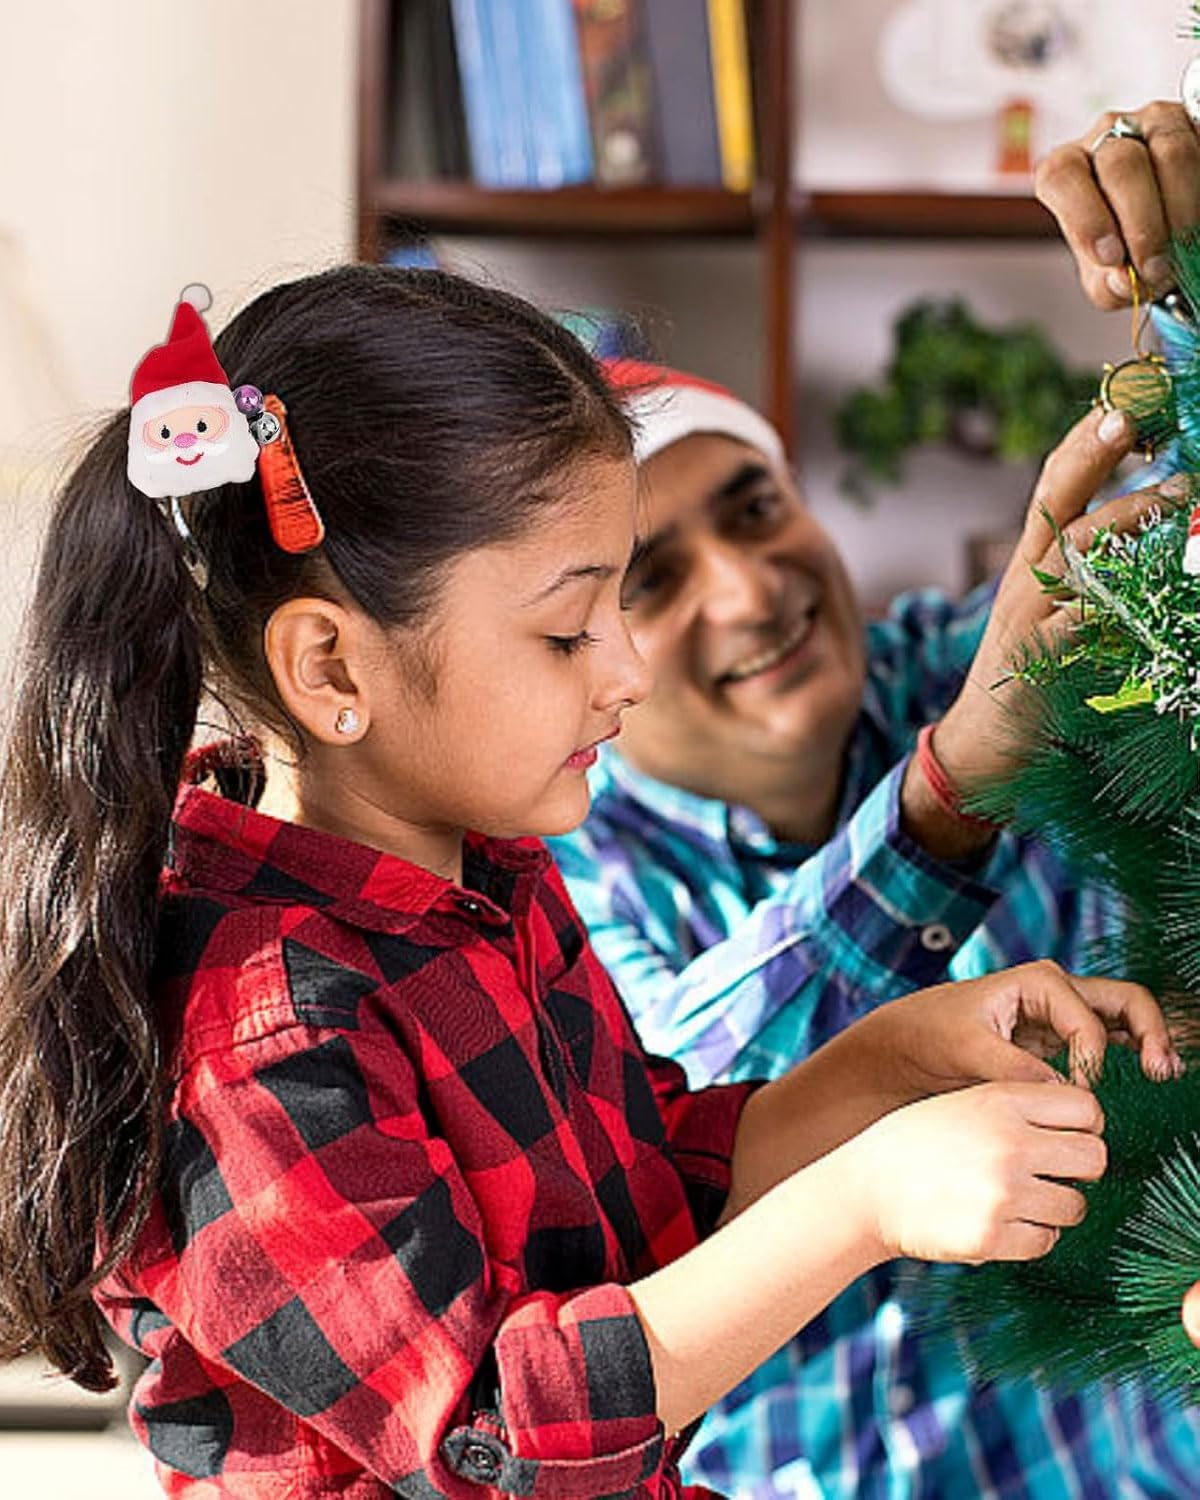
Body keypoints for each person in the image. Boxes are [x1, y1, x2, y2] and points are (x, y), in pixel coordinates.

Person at [0, 266, 1166, 1498]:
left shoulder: (491, 874)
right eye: (571, 629)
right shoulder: (260, 1033)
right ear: (332, 668)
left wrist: (891, 1064)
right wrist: (868, 1201)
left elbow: (652, 1191)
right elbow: (493, 1435)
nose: (628, 673)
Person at [550, 102, 1200, 1498]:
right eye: (649, 581)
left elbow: (1172, 568)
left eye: (755, 508)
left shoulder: (958, 663)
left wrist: (1188, 293)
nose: (750, 584)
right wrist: (948, 794)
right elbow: (689, 1135)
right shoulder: (554, 869)